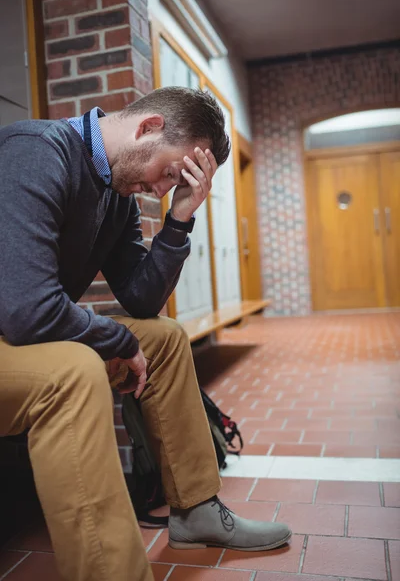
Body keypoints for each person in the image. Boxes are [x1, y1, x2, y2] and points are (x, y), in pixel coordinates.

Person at [0, 87, 291, 581]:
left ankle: (196, 510)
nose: (162, 190)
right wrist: (116, 341)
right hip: (16, 328)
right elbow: (27, 310)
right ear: (147, 127)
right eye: (170, 174)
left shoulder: (115, 197)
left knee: (164, 336)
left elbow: (140, 300)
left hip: (15, 335)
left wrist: (180, 218)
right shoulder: (36, 152)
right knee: (72, 372)